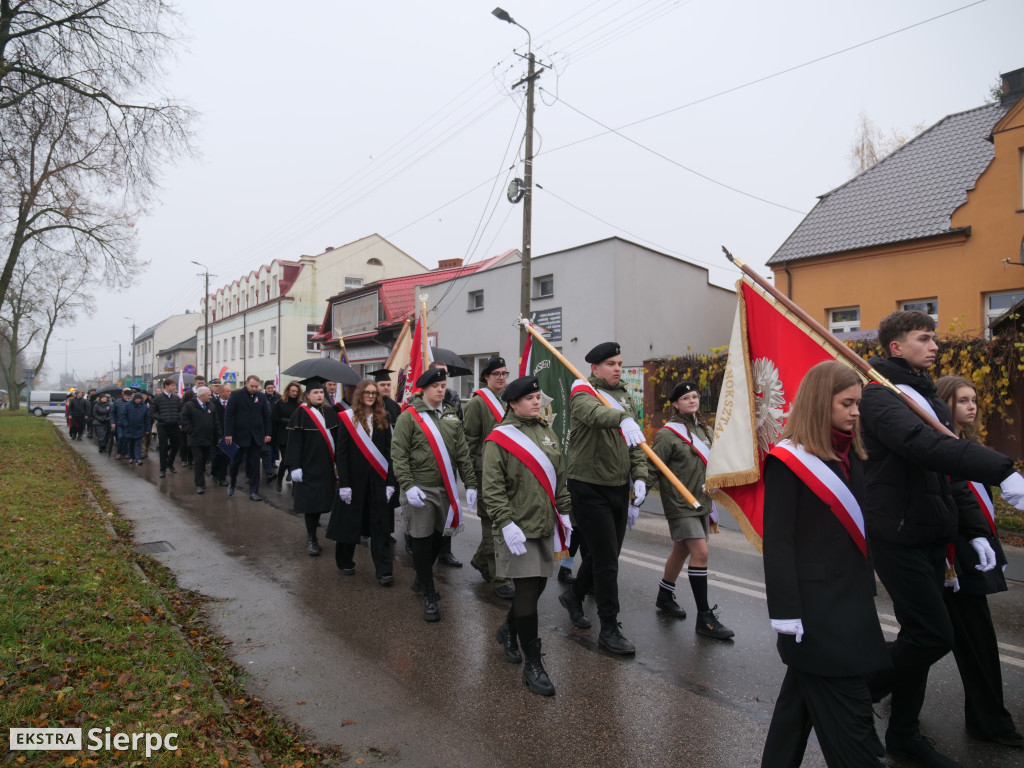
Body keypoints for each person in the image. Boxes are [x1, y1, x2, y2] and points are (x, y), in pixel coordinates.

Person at [859, 310, 1024, 768]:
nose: (935, 346)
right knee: (933, 635)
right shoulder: (881, 395)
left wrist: (971, 532)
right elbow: (922, 445)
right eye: (924, 338)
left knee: (921, 634)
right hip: (899, 532)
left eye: (934, 338)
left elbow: (946, 471)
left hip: (931, 531)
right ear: (896, 346)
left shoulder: (922, 392)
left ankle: (904, 734)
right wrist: (1003, 469)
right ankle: (851, 690)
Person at [760, 361, 889, 768]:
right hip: (816, 611)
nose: (856, 412)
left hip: (849, 599)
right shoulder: (789, 461)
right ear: (820, 403)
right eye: (847, 403)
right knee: (852, 729)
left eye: (858, 404)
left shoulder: (852, 454)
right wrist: (784, 611)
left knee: (794, 714)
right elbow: (778, 542)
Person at [934, 375, 1022, 748]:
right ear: (944, 404)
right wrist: (976, 537)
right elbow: (955, 496)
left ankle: (883, 688)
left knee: (937, 638)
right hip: (954, 555)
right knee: (968, 640)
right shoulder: (940, 447)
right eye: (962, 400)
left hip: (973, 550)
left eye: (973, 399)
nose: (971, 406)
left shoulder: (968, 445)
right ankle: (989, 723)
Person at [482, 375, 572, 696]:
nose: (538, 401)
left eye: (539, 397)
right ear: (513, 403)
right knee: (526, 590)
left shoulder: (547, 432)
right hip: (517, 529)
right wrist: (505, 523)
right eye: (531, 398)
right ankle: (533, 665)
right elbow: (492, 488)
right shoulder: (499, 439)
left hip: (544, 525)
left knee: (537, 587)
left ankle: (509, 629)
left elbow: (560, 476)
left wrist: (564, 511)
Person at [557, 341, 647, 655]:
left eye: (620, 363)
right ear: (595, 368)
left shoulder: (626, 396)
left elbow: (636, 445)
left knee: (602, 555)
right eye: (611, 363)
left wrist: (642, 478)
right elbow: (594, 414)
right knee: (607, 561)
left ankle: (573, 596)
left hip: (618, 486)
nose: (618, 368)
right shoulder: (582, 391)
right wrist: (621, 418)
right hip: (588, 486)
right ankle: (609, 628)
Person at [649, 380, 734, 639]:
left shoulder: (704, 431)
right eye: (686, 398)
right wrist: (635, 493)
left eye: (695, 396)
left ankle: (665, 594)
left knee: (683, 549)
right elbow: (652, 467)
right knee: (701, 552)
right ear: (676, 404)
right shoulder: (667, 434)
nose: (692, 401)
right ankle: (704, 617)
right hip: (679, 501)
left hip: (701, 500)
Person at [391, 368, 477, 622]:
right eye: (436, 386)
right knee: (422, 539)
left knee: (440, 538)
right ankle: (429, 592)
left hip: (446, 489)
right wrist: (408, 484)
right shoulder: (410, 417)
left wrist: (470, 484)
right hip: (420, 489)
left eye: (443, 385)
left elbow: (462, 453)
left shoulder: (451, 416)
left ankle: (421, 577)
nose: (441, 389)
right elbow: (399, 454)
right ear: (424, 389)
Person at [328, 379, 397, 582]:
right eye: (367, 392)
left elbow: (389, 452)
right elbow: (342, 454)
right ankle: (345, 561)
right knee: (350, 523)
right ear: (360, 394)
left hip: (377, 480)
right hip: (354, 481)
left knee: (380, 525)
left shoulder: (384, 417)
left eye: (374, 393)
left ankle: (384, 571)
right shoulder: (347, 418)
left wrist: (390, 482)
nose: (370, 396)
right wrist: (344, 484)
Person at [465, 356, 515, 599]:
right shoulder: (478, 404)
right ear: (486, 377)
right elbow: (469, 442)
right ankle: (500, 578)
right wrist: (475, 476)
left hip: (507, 475)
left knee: (503, 522)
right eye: (497, 374)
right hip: (486, 473)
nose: (502, 377)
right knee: (493, 526)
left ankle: (480, 560)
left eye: (505, 373)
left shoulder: (507, 401)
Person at [284, 377, 340, 555]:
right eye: (315, 392)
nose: (319, 395)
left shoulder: (330, 412)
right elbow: (293, 442)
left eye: (321, 392)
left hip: (328, 466)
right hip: (308, 466)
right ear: (308, 395)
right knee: (311, 504)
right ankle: (311, 538)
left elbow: (338, 439)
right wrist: (295, 466)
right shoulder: (300, 413)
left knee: (327, 502)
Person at [427, 360, 464, 568]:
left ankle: (445, 551)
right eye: (440, 374)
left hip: (449, 459)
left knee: (449, 505)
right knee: (427, 509)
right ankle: (416, 544)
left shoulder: (452, 396)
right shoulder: (422, 395)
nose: (444, 378)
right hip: (429, 461)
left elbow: (460, 426)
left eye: (446, 374)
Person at [224, 374, 273, 501]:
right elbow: (228, 415)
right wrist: (228, 433)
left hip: (256, 436)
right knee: (235, 462)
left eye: (257, 386)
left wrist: (268, 433)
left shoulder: (261, 397)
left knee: (255, 464)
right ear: (246, 384)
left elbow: (267, 416)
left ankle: (253, 491)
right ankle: (232, 482)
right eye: (252, 386)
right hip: (239, 435)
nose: (254, 389)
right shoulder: (236, 395)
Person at [180, 386, 222, 495]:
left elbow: (216, 421)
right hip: (195, 439)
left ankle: (201, 479)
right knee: (198, 460)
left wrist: (219, 435)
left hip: (208, 438)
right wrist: (192, 431)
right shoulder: (189, 406)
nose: (210, 397)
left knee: (204, 461)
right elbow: (184, 420)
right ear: (202, 396)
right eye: (209, 395)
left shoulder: (211, 406)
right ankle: (199, 484)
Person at [272, 381, 303, 492]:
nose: (294, 393)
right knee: (285, 460)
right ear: (288, 391)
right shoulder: (281, 402)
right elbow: (275, 417)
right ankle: (279, 480)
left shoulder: (300, 404)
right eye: (292, 391)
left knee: (295, 460)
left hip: (295, 435)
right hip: (283, 435)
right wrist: (287, 421)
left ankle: (295, 487)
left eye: (296, 391)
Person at [151, 378, 182, 478]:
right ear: (166, 386)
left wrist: (178, 419)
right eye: (172, 385)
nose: (174, 387)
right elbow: (151, 412)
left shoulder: (176, 398)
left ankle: (170, 463)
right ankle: (162, 469)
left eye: (174, 385)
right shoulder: (158, 398)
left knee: (175, 445)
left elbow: (180, 411)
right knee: (163, 447)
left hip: (174, 425)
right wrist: (161, 418)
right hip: (163, 426)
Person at [121, 392, 151, 466]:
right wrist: (125, 424)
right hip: (129, 428)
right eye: (137, 399)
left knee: (138, 443)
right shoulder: (128, 405)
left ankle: (137, 458)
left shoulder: (144, 407)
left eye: (140, 399)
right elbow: (123, 415)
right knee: (131, 443)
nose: (138, 400)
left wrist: (147, 429)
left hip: (140, 428)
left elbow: (147, 418)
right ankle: (132, 457)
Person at [209, 382, 231, 486]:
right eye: (228, 391)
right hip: (216, 435)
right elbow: (212, 420)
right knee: (216, 456)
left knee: (226, 457)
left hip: (229, 435)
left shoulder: (232, 402)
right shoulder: (213, 403)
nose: (230, 393)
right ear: (221, 392)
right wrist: (218, 435)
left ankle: (223, 477)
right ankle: (214, 474)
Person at [262, 380, 281, 481]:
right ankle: (268, 463)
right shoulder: (262, 397)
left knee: (275, 445)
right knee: (268, 446)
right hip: (266, 425)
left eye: (271, 388)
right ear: (265, 389)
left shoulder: (278, 397)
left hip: (276, 425)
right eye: (268, 388)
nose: (270, 390)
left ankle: (273, 461)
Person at [111, 388, 134, 459]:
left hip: (129, 424)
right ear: (123, 395)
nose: (128, 397)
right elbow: (112, 413)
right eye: (127, 396)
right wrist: (112, 422)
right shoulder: (117, 402)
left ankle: (126, 453)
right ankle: (119, 453)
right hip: (119, 424)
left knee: (127, 439)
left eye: (130, 396)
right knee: (120, 437)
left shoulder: (132, 403)